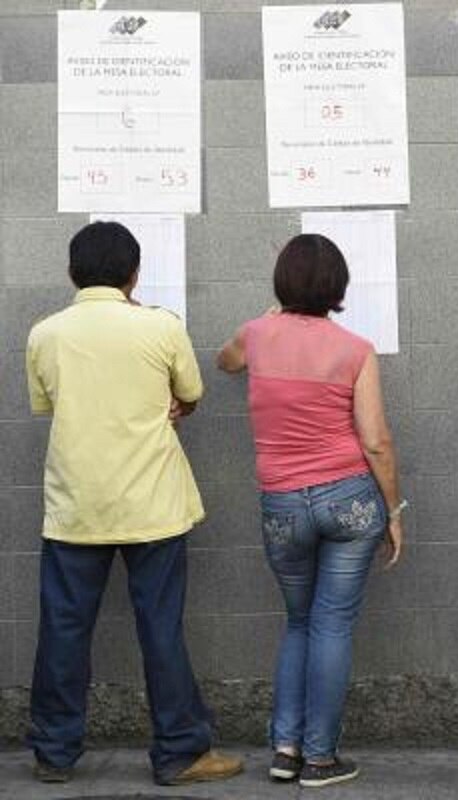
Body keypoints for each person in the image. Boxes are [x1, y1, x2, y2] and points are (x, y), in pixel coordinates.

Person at [24, 221, 242, 786]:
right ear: (134, 273)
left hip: (76, 505)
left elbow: (47, 404)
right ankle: (178, 752)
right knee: (160, 627)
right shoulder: (160, 327)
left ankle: (53, 752)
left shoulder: (45, 334)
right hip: (152, 504)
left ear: (72, 273)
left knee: (64, 629)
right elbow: (189, 394)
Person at [216, 233, 404, 788]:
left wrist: (266, 319)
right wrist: (394, 510)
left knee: (298, 622)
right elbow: (375, 441)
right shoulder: (355, 348)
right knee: (332, 625)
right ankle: (321, 758)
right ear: (339, 287)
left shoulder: (255, 336)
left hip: (281, 503)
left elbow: (224, 362)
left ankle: (285, 747)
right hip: (347, 498)